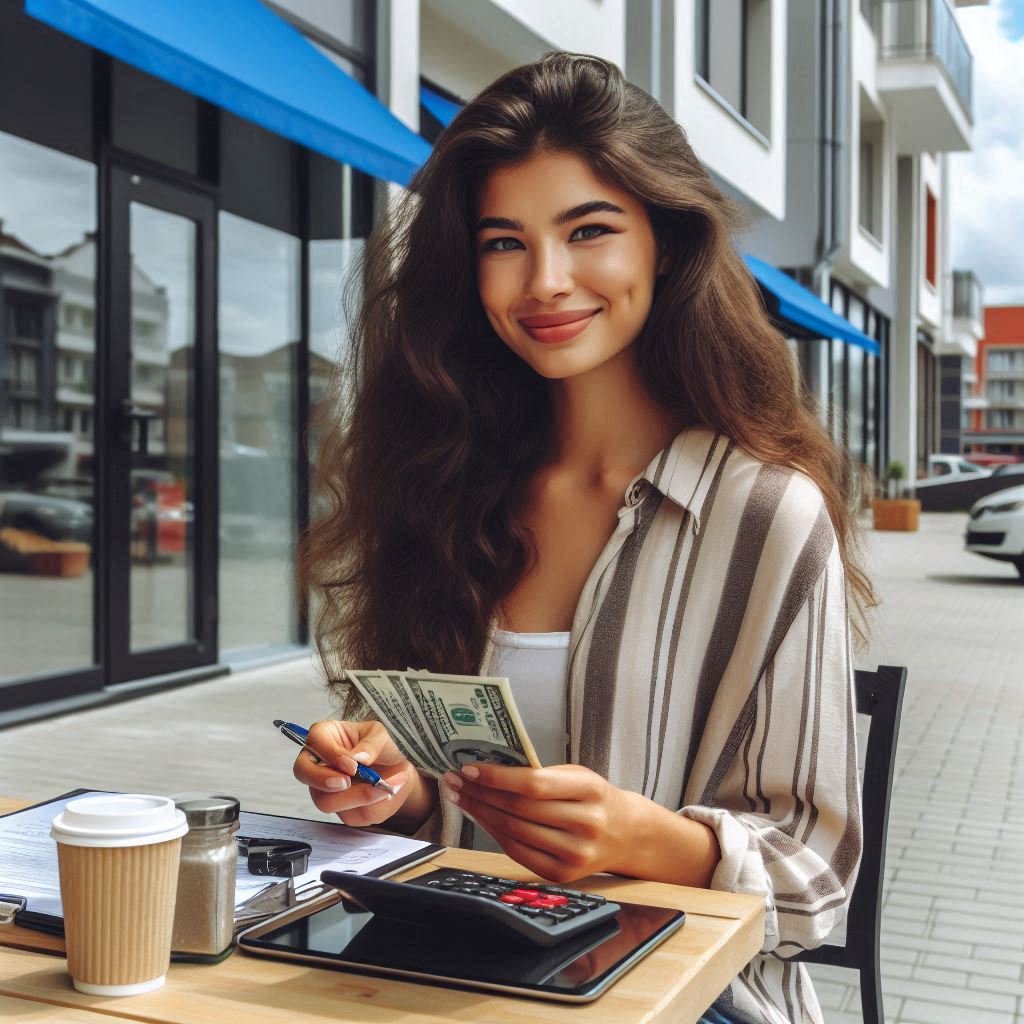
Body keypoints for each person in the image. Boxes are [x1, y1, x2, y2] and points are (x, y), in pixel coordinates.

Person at [293, 52, 875, 1024]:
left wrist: (648, 838)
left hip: (692, 1002)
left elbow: (814, 880)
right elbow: (451, 814)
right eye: (503, 242)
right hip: (456, 976)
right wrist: (385, 788)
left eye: (588, 230)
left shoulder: (764, 513)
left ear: (664, 241)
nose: (545, 280)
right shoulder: (448, 490)